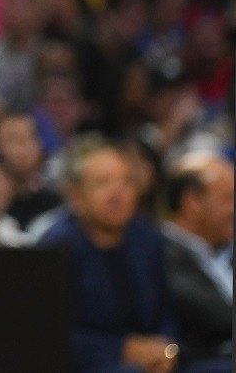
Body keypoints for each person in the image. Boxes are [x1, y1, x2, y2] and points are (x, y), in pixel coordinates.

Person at [39, 141, 178, 373]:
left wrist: (166, 349)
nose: (118, 193)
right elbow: (46, 334)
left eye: (126, 182)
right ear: (76, 196)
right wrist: (121, 350)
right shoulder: (55, 247)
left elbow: (166, 311)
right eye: (103, 183)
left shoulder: (147, 237)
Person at [161, 151, 233, 371]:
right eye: (228, 199)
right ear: (192, 202)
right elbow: (218, 316)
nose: (234, 209)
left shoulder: (223, 249)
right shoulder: (162, 254)